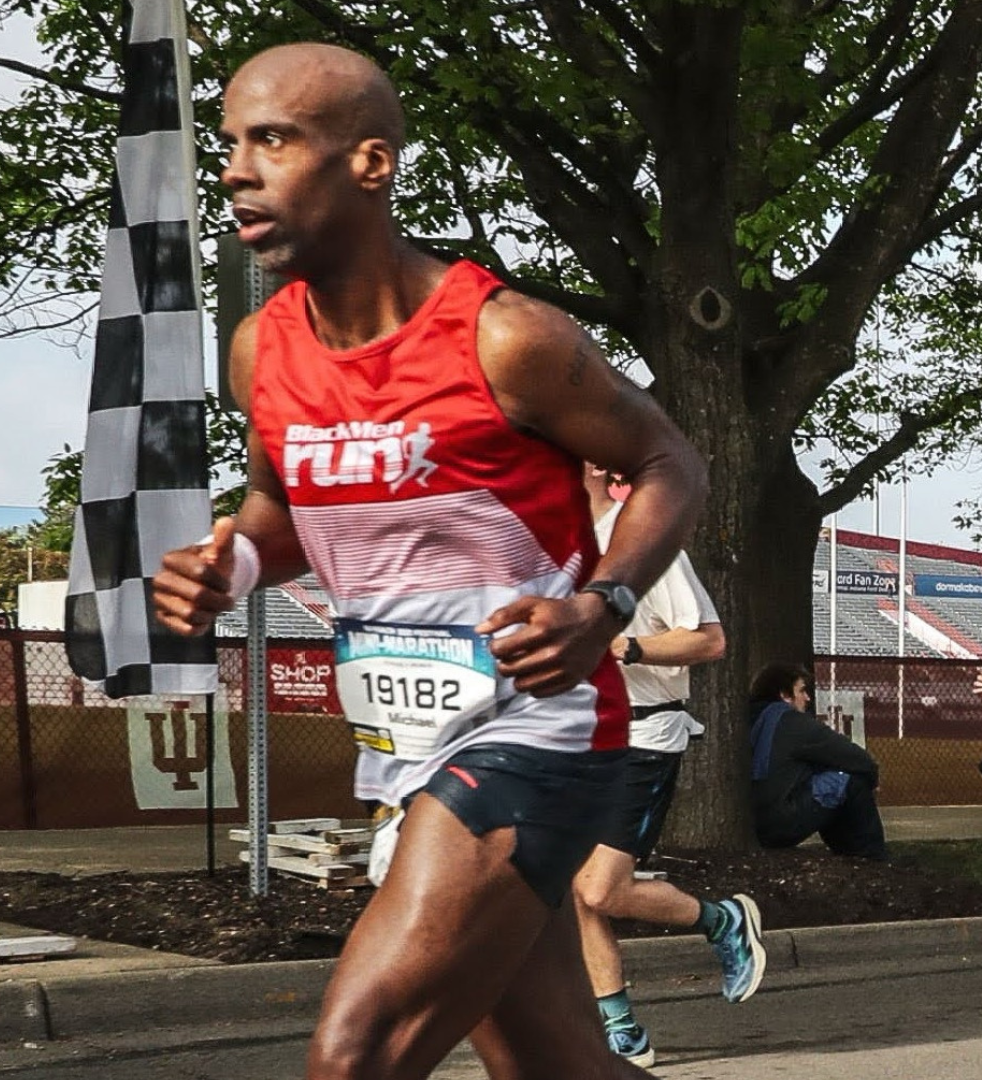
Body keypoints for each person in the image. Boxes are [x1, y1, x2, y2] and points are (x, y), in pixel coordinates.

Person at [153, 41, 708, 1080]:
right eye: (228, 143)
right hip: (408, 746)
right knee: (556, 1066)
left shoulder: (504, 340)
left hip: (537, 734)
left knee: (355, 1055)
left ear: (370, 163)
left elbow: (672, 459)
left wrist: (603, 604)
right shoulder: (261, 352)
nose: (234, 167)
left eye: (272, 139)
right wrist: (223, 570)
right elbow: (282, 511)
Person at [573, 464, 764, 1069]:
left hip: (644, 732)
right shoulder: (557, 550)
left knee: (601, 888)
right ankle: (619, 1025)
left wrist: (624, 647)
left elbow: (709, 641)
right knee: (576, 893)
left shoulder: (642, 545)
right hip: (576, 738)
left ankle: (722, 920)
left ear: (597, 467)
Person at [748, 663, 888, 861]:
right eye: (802, 690)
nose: (808, 698)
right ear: (784, 695)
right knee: (850, 781)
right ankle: (869, 856)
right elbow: (855, 758)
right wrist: (873, 779)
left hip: (750, 820)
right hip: (778, 823)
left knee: (827, 777)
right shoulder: (792, 721)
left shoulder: (748, 717)